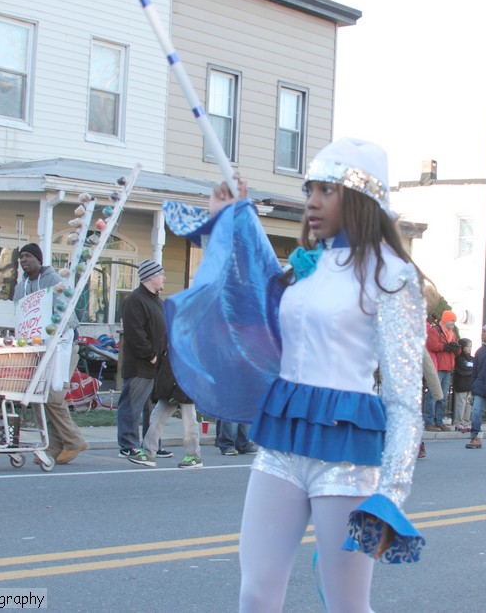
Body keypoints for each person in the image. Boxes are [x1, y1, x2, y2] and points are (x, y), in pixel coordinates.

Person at [168, 138, 428, 611]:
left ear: (362, 198)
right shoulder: (307, 266)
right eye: (310, 188)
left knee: (346, 604)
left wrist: (391, 492)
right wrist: (231, 218)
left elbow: (406, 396)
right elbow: (248, 298)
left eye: (327, 190)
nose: (312, 201)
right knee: (256, 592)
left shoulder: (394, 275)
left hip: (346, 454)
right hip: (281, 445)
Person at [13, 242, 88, 465]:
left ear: (38, 258)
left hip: (61, 344)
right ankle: (53, 444)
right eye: (21, 257)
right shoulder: (21, 287)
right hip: (36, 348)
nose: (23, 260)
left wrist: (52, 336)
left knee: (54, 396)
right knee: (37, 398)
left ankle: (74, 440)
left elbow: (63, 315)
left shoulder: (54, 281)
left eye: (27, 256)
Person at [117, 259, 167, 467]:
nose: (164, 278)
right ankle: (127, 444)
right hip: (141, 363)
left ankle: (151, 444)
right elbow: (134, 332)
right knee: (132, 403)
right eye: (161, 274)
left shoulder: (157, 301)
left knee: (151, 407)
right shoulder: (135, 300)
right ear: (151, 277)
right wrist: (150, 354)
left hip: (156, 364)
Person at [142, 353, 203, 468]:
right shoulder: (167, 337)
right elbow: (162, 362)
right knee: (157, 417)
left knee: (189, 421)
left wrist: (179, 390)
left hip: (186, 386)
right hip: (169, 385)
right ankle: (148, 452)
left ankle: (194, 456)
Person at [424, 310, 458, 431]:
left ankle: (439, 421)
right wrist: (446, 346)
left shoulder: (451, 334)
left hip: (447, 367)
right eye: (451, 320)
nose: (453, 323)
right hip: (438, 366)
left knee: (443, 397)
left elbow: (455, 348)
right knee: (434, 395)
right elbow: (432, 345)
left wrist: (456, 349)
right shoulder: (435, 330)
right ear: (445, 320)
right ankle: (429, 422)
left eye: (454, 321)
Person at [451, 338, 474, 431]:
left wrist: (470, 370)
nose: (469, 349)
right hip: (461, 385)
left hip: (470, 385)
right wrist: (471, 370)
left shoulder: (472, 359)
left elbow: (475, 369)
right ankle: (459, 423)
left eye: (470, 347)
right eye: (467, 346)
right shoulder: (459, 358)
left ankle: (466, 422)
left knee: (468, 405)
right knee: (460, 405)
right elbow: (462, 371)